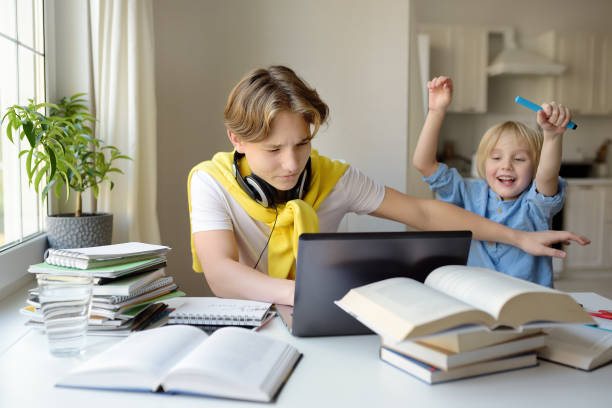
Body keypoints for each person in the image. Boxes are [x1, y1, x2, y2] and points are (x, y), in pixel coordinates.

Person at [188, 66, 588, 306]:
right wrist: (314, 296)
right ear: (236, 140)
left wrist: (518, 238)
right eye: (273, 149)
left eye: (303, 144)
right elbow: (221, 272)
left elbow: (425, 212)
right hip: (249, 321)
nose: (292, 164)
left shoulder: (335, 178)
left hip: (322, 315)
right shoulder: (211, 181)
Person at [412, 76, 578, 287]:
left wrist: (552, 136)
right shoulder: (468, 192)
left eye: (518, 159)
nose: (506, 166)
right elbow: (423, 164)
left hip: (528, 303)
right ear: (483, 162)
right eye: (496, 158)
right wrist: (436, 111)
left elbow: (547, 175)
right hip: (477, 297)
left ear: (535, 167)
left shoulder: (535, 203)